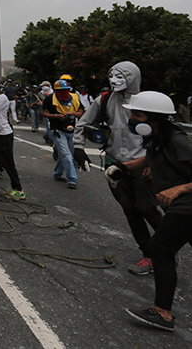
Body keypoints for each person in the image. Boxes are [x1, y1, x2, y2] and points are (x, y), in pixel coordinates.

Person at [74, 61, 162, 275]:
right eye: (111, 76)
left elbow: (163, 134)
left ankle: (165, 249)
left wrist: (154, 162)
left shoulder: (146, 102)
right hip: (115, 165)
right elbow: (83, 122)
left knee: (148, 209)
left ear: (132, 78)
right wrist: (78, 146)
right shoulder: (104, 100)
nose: (114, 81)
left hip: (141, 164)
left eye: (120, 76)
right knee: (130, 210)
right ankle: (149, 254)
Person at [115, 91, 192, 332]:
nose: (132, 119)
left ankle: (163, 313)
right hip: (181, 206)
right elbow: (150, 159)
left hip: (187, 205)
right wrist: (121, 167)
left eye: (138, 115)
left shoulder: (178, 141)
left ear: (155, 120)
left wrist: (178, 189)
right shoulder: (158, 138)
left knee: (160, 248)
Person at [42, 79, 85, 189]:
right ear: (56, 91)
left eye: (66, 90)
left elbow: (81, 112)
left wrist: (72, 114)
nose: (64, 93)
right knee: (66, 154)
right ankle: (72, 179)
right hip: (57, 130)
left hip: (71, 129)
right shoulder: (50, 99)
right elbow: (44, 113)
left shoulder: (74, 98)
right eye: (61, 91)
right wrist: (56, 116)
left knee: (67, 153)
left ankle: (57, 173)